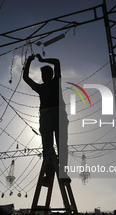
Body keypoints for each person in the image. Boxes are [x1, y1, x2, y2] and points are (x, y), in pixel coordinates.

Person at [23, 54, 70, 183]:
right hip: (46, 117)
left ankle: (62, 173)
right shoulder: (41, 87)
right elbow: (26, 77)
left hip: (57, 115)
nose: (44, 76)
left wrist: (42, 60)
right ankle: (49, 176)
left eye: (46, 73)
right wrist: (28, 62)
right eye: (43, 74)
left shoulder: (56, 81)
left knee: (62, 145)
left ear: (50, 74)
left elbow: (57, 62)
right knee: (47, 147)